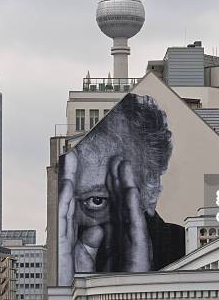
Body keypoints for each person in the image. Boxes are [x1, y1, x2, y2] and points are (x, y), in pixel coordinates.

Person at [58, 94, 184, 285]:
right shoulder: (56, 255)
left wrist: (138, 289)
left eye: (97, 200)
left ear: (151, 190)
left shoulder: (189, 251)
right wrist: (65, 293)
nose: (73, 223)